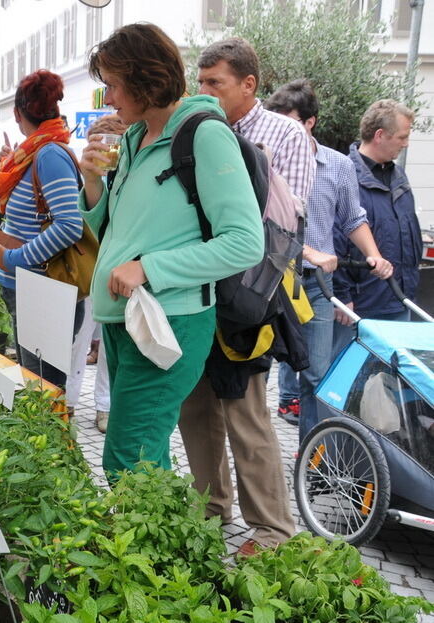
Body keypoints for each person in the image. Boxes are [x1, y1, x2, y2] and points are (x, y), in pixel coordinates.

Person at [79, 25, 263, 478]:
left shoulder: (203, 134)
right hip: (127, 319)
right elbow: (120, 231)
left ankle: (153, 548)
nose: (108, 99)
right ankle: (177, 545)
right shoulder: (132, 137)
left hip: (169, 321)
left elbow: (245, 242)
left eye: (114, 85)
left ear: (147, 78)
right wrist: (92, 184)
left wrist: (149, 268)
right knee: (146, 457)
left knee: (128, 457)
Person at [177, 36, 316, 557]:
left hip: (250, 294)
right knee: (196, 406)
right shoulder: (192, 131)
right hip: (198, 287)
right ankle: (211, 508)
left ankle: (273, 529)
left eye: (215, 82)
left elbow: (290, 217)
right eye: (201, 81)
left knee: (245, 411)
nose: (204, 90)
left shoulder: (280, 132)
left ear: (248, 84)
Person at [264, 80, 392, 440]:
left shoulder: (336, 165)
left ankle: (314, 461)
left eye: (288, 124)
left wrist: (374, 256)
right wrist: (306, 251)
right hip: (269, 280)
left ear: (310, 123)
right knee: (254, 374)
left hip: (315, 285)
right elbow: (260, 225)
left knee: (317, 375)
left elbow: (353, 218)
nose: (280, 133)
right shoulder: (263, 162)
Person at [0, 69, 87, 390]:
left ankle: (56, 439)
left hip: (43, 289)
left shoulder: (49, 154)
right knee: (36, 383)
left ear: (18, 113)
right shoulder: (32, 152)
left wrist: (15, 258)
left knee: (42, 390)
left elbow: (70, 225)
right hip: (31, 288)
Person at [333, 99, 422, 352]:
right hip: (360, 305)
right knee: (347, 383)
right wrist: (342, 296)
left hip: (399, 298)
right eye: (402, 137)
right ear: (380, 135)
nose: (405, 144)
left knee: (389, 383)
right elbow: (334, 238)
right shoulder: (345, 174)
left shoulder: (399, 176)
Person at [66, 113, 129, 433]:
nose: (105, 149)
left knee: (108, 344)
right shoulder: (87, 173)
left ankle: (104, 406)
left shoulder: (131, 173)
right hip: (89, 270)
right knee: (80, 340)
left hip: (120, 270)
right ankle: (70, 402)